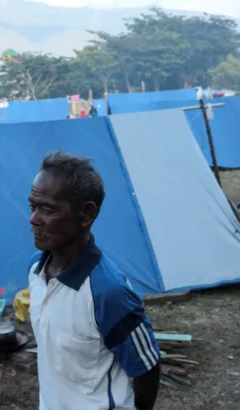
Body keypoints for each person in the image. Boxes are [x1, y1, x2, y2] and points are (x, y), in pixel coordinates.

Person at [28, 151, 160, 410]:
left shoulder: (108, 292)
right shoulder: (36, 268)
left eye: (47, 209)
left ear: (86, 214)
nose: (34, 219)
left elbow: (147, 367)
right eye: (33, 206)